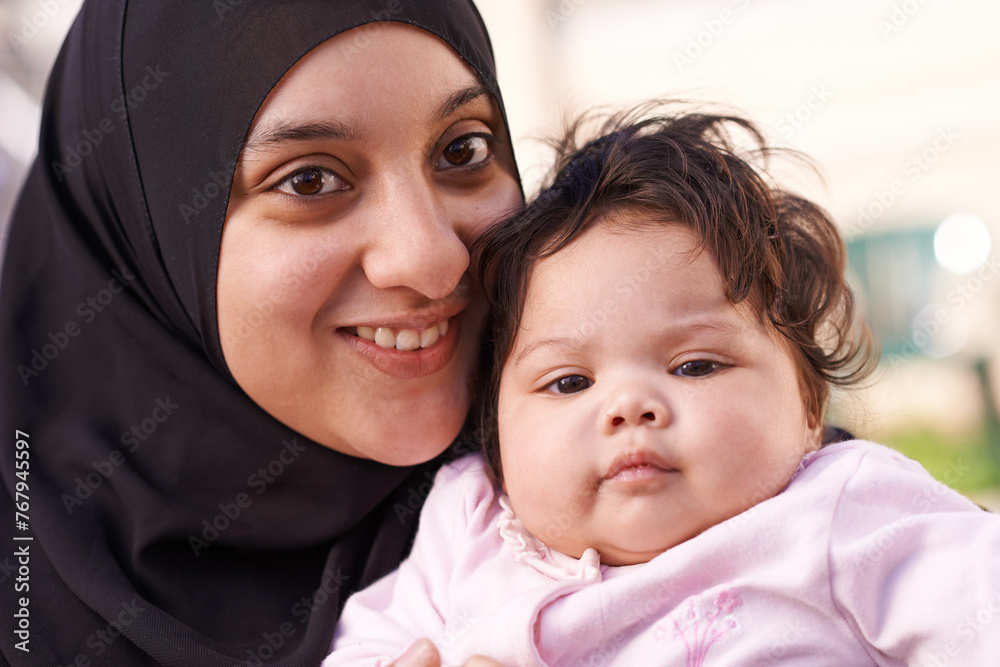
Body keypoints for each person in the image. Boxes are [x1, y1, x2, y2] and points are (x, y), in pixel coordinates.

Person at [326, 108, 1000, 665]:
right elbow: (368, 641)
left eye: (695, 366)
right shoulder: (469, 516)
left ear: (808, 409)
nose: (628, 406)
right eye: (568, 381)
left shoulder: (839, 508)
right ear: (495, 423)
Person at [0, 1, 522, 665]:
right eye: (310, 179)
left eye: (463, 149)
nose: (431, 257)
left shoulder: (627, 480)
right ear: (146, 232)